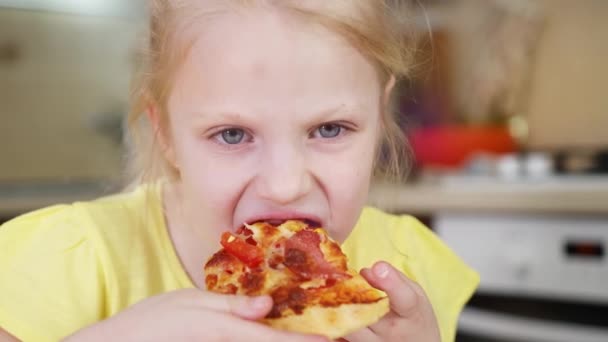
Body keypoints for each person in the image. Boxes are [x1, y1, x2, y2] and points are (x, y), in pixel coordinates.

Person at [0, 1, 479, 341]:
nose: (285, 185)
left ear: (380, 113)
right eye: (232, 135)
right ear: (164, 132)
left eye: (330, 129)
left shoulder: (404, 269)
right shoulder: (74, 259)